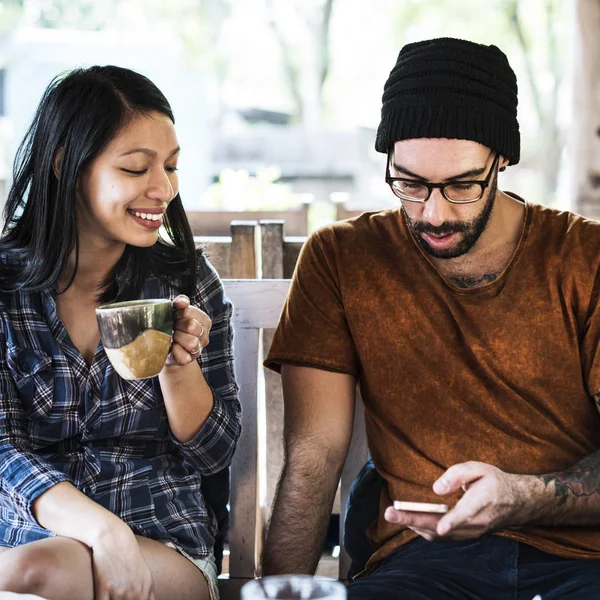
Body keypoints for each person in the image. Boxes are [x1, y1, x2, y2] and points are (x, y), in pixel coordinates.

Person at [262, 37, 600, 599]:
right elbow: (314, 455)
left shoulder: (585, 258)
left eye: (463, 185)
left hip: (584, 559)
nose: (434, 213)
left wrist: (518, 494)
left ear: (503, 161)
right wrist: (276, 591)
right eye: (410, 183)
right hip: (424, 564)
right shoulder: (343, 258)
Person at [0, 66, 241, 600]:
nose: (164, 188)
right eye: (136, 168)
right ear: (66, 165)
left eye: (172, 166)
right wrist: (101, 532)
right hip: (24, 537)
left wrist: (179, 365)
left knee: (36, 575)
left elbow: (213, 453)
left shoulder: (185, 280)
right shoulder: (5, 288)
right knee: (35, 566)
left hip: (163, 544)